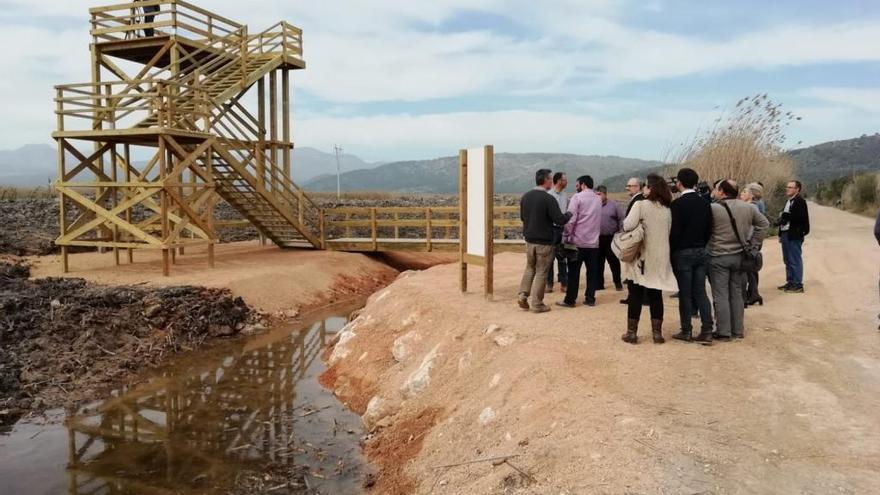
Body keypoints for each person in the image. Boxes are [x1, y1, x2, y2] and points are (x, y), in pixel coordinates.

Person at [708, 180, 769, 341]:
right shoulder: (748, 207)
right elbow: (764, 224)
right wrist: (753, 245)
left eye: (716, 189)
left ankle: (723, 331)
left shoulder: (713, 209)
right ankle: (738, 330)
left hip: (718, 256)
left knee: (721, 294)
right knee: (736, 293)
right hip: (740, 256)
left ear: (721, 192)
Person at [620, 174, 678, 344]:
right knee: (655, 295)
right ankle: (657, 334)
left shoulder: (640, 204)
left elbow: (627, 225)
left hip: (641, 257)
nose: (643, 188)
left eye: (646, 186)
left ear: (650, 188)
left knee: (635, 294)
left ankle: (632, 333)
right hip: (660, 257)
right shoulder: (667, 209)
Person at [669, 168, 714, 343]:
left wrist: (673, 252)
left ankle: (686, 330)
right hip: (701, 251)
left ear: (679, 183)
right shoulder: (705, 203)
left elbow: (675, 232)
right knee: (701, 292)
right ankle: (707, 330)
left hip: (683, 252)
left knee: (685, 294)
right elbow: (709, 228)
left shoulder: (677, 205)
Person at [518, 169, 572, 313]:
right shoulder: (548, 198)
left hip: (529, 240)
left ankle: (523, 295)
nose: (551, 181)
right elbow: (559, 219)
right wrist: (569, 213)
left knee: (530, 268)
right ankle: (537, 304)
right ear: (546, 180)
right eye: (550, 179)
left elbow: (523, 218)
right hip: (544, 241)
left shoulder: (525, 197)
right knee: (542, 272)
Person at [556, 175, 602, 308]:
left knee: (574, 272)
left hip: (577, 242)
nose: (576, 188)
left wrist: (566, 235)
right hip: (593, 242)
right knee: (592, 272)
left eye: (577, 186)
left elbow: (571, 219)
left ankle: (570, 300)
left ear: (583, 184)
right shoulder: (598, 199)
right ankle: (590, 298)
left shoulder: (577, 198)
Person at [778, 180, 810, 293]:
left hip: (794, 234)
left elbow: (801, 218)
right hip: (786, 233)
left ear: (797, 189)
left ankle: (798, 284)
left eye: (791, 187)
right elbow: (784, 219)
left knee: (794, 259)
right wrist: (780, 232)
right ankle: (790, 282)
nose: (788, 189)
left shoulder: (800, 202)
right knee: (787, 259)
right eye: (787, 187)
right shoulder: (789, 201)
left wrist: (787, 216)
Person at [740, 183, 767, 307]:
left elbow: (752, 227)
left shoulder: (751, 207)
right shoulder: (753, 206)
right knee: (750, 270)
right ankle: (754, 294)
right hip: (752, 243)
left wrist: (750, 243)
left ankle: (746, 296)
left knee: (746, 270)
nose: (742, 193)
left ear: (751, 195)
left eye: (745, 191)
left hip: (748, 243)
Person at [620, 177, 646, 305]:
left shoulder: (639, 200)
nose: (627, 188)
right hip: (636, 239)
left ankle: (636, 297)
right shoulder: (637, 199)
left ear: (637, 186)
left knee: (635, 269)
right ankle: (634, 296)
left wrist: (624, 226)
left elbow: (631, 223)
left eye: (630, 186)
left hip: (635, 239)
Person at [596, 185, 624, 291]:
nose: (597, 196)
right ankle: (599, 284)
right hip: (597, 238)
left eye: (599, 194)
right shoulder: (594, 206)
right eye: (596, 194)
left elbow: (621, 219)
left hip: (611, 238)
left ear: (605, 194)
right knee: (598, 262)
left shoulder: (614, 205)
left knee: (613, 262)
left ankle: (617, 282)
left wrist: (621, 233)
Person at [546, 172, 569, 293]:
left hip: (562, 229)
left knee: (562, 257)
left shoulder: (565, 195)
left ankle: (564, 283)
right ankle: (549, 284)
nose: (567, 182)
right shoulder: (549, 195)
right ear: (559, 181)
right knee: (549, 257)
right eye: (565, 180)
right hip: (552, 229)